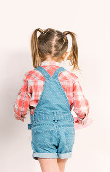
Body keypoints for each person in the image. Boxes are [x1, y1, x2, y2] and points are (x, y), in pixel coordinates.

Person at [14, 28, 90, 172]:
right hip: (66, 130)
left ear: (38, 51)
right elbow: (81, 106)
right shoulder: (70, 78)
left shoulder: (32, 76)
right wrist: (82, 118)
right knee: (60, 168)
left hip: (43, 130)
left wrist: (20, 114)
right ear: (65, 55)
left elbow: (21, 104)